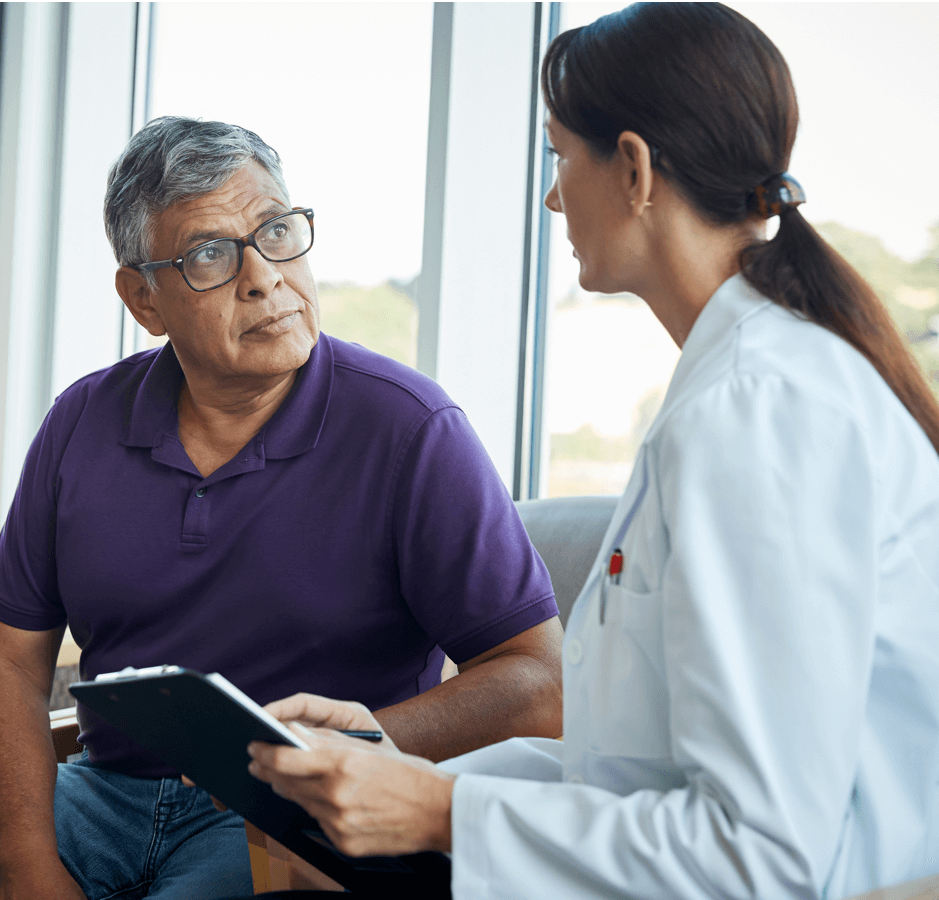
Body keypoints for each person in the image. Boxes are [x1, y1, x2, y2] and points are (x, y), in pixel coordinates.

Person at [246, 4, 939, 898]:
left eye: (560, 157)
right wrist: (388, 766)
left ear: (636, 168)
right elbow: (625, 772)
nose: (552, 195)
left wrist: (439, 812)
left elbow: (758, 855)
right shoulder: (738, 383)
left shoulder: (758, 413)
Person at [0, 117, 565, 900]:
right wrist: (31, 866)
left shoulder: (411, 428)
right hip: (96, 800)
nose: (265, 276)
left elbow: (540, 683)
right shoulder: (82, 422)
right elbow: (4, 658)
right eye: (211, 254)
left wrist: (359, 742)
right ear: (144, 299)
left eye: (277, 230)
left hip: (291, 816)